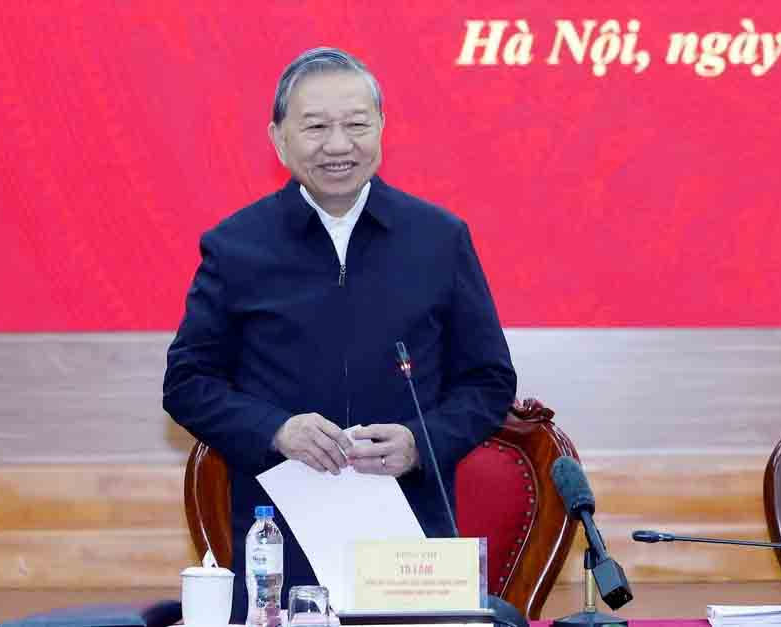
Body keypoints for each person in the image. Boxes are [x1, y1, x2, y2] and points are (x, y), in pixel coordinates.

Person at [163, 47, 517, 623]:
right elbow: (187, 383)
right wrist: (276, 430)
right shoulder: (235, 246)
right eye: (315, 127)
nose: (338, 145)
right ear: (278, 139)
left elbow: (489, 381)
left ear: (382, 129)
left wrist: (419, 442)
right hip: (280, 543)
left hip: (410, 545)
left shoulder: (439, 239)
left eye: (356, 124)